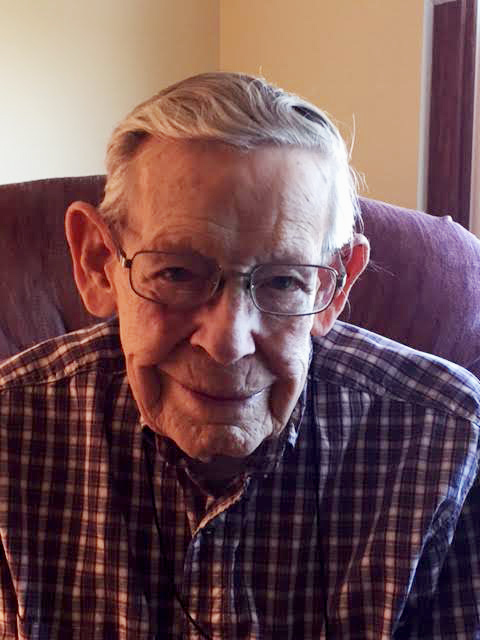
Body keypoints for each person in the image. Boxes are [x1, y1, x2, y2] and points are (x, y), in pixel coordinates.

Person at [0, 72, 479, 640]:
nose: (228, 344)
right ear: (98, 263)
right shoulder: (12, 434)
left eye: (282, 282)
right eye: (177, 273)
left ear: (335, 287)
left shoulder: (448, 444)